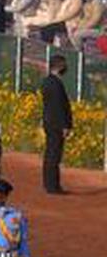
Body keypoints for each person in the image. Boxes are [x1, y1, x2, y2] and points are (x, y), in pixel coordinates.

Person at [40, 55, 72, 194]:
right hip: (56, 124)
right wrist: (64, 125)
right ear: (59, 66)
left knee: (50, 154)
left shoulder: (47, 82)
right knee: (54, 155)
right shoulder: (55, 84)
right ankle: (53, 186)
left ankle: (50, 184)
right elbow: (59, 106)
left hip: (49, 122)